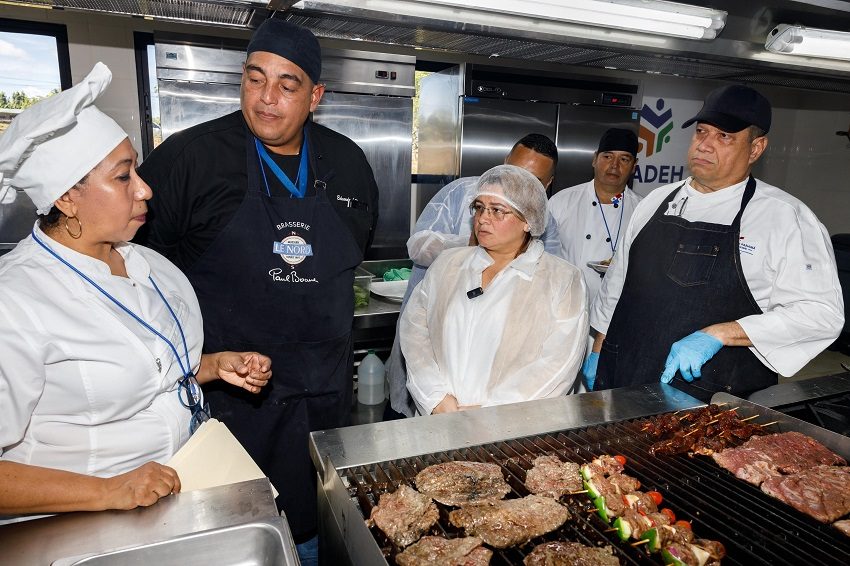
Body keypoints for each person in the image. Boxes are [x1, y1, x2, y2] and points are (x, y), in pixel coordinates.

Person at [135, 19, 379, 560]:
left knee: (324, 530)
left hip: (324, 399)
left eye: (287, 85)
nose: (267, 99)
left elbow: (352, 256)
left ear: (315, 95)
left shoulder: (348, 164)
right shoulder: (190, 159)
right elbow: (137, 273)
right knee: (236, 537)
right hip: (230, 398)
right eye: (254, 79)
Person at [0, 63, 271, 523]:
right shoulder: (17, 300)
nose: (146, 189)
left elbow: (147, 375)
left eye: (136, 171)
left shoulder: (148, 265)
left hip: (179, 496)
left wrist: (210, 366)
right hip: (80, 525)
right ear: (67, 197)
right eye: (123, 176)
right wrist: (109, 490)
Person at [584, 85, 844, 401]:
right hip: (624, 381)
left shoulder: (785, 218)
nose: (705, 145)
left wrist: (720, 333)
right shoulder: (655, 202)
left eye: (724, 137)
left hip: (711, 402)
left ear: (756, 148)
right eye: (702, 132)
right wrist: (599, 348)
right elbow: (617, 286)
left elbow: (821, 315)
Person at [384, 133, 562, 418]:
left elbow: (550, 286)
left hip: (497, 375)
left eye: (534, 182)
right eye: (514, 174)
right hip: (433, 343)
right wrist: (466, 246)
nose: (520, 187)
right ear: (504, 164)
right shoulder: (461, 192)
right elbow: (417, 246)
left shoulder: (545, 222)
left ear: (548, 185)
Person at [549, 128, 642, 303]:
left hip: (614, 308)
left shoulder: (642, 209)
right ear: (594, 159)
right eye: (607, 156)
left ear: (633, 167)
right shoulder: (562, 201)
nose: (614, 165)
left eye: (624, 159)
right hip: (563, 302)